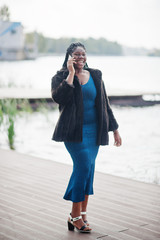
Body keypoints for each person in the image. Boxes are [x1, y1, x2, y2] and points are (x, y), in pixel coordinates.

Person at [51, 42, 122, 233]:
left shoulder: (96, 75)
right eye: (76, 55)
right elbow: (59, 98)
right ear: (69, 57)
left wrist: (114, 129)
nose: (80, 57)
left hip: (94, 133)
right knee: (82, 167)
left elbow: (104, 104)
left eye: (83, 54)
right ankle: (75, 216)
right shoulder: (60, 77)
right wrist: (71, 74)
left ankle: (81, 214)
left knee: (88, 170)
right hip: (73, 133)